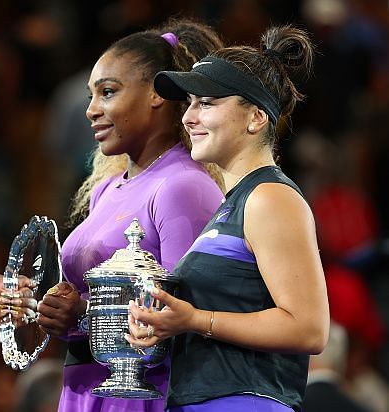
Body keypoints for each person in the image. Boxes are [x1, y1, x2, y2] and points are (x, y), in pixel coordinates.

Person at [0, 18, 225, 411]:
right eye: (92, 96)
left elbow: (188, 323)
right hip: (87, 390)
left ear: (158, 93)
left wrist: (84, 315)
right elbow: (86, 304)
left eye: (108, 92)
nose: (91, 110)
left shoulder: (182, 186)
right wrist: (31, 302)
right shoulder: (107, 189)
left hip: (147, 396)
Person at [126, 25, 330, 412]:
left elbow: (309, 328)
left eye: (205, 102)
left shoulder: (270, 198)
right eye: (189, 103)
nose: (187, 117)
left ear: (255, 117)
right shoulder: (234, 203)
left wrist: (196, 319)